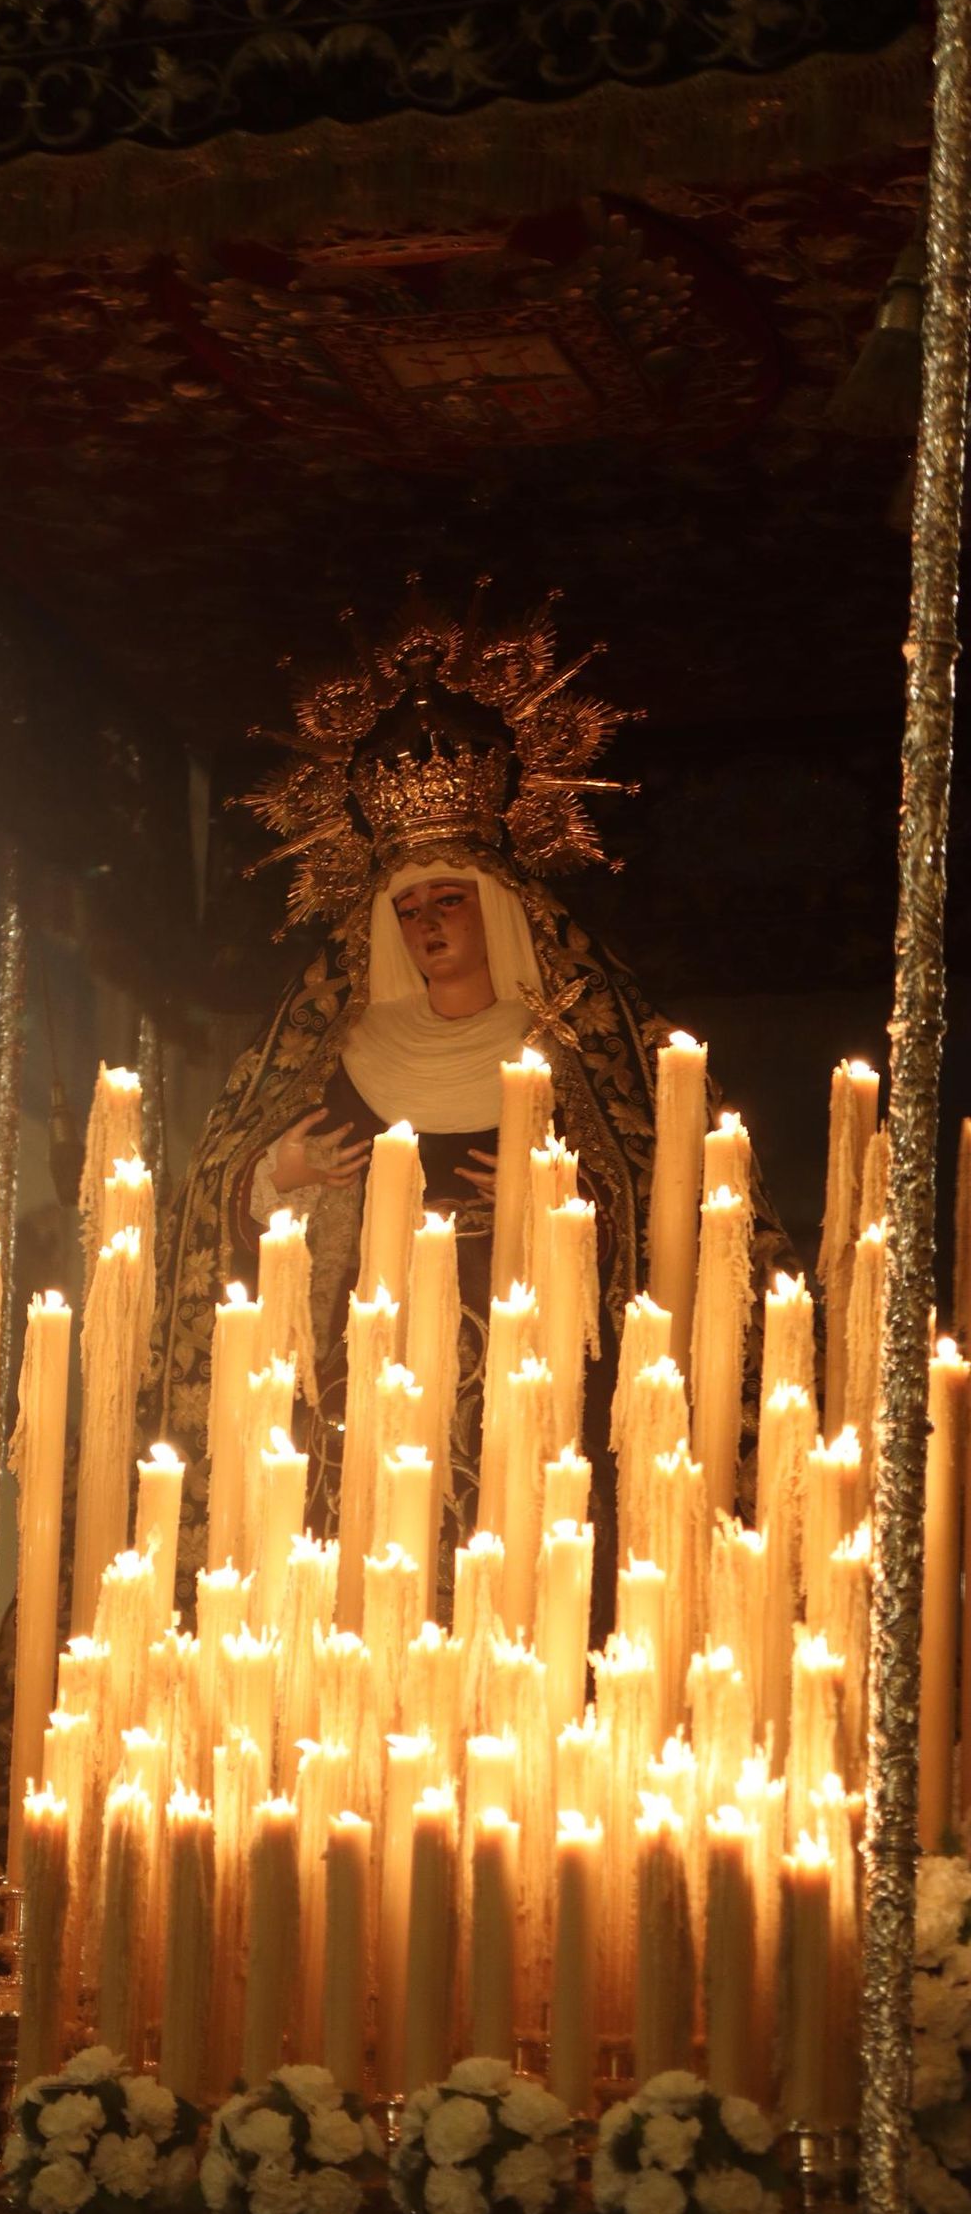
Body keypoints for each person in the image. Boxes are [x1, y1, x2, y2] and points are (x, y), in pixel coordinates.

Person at [148, 579, 793, 1621]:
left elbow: (681, 1223)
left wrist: (569, 1216)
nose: (430, 923)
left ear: (498, 905)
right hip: (364, 1397)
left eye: (451, 898)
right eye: (408, 907)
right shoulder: (333, 1048)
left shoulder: (585, 1049)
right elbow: (221, 1206)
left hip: (533, 1405)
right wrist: (285, 1178)